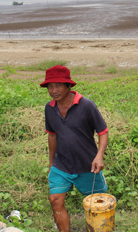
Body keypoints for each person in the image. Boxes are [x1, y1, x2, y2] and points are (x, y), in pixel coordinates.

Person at [41, 65, 109, 232]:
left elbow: (103, 132)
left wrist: (99, 156)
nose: (53, 90)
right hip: (61, 164)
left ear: (68, 86)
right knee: (55, 200)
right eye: (50, 86)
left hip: (87, 164)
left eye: (58, 86)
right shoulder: (49, 109)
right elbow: (52, 136)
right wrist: (51, 163)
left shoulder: (86, 106)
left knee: (98, 202)